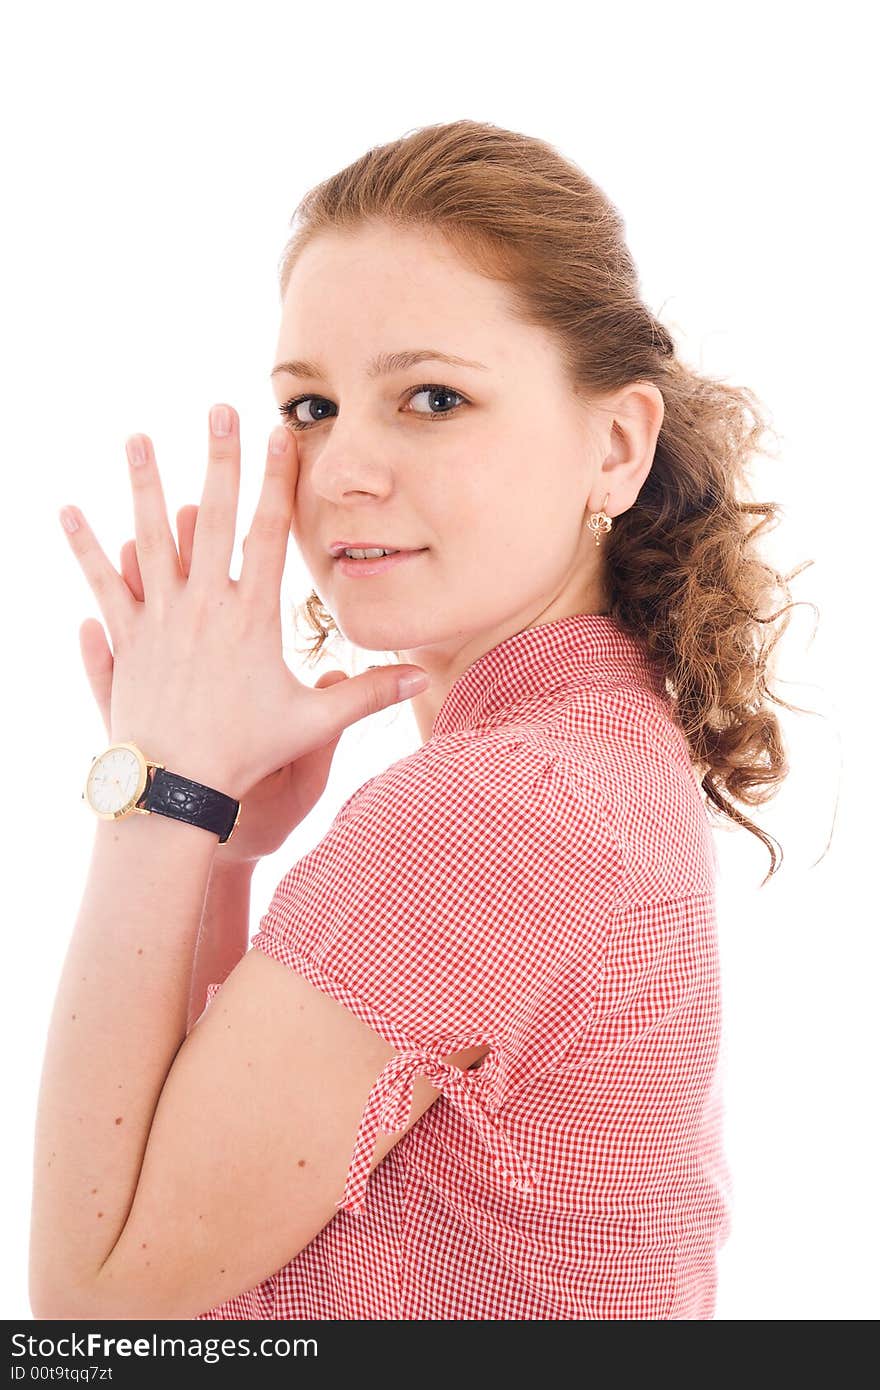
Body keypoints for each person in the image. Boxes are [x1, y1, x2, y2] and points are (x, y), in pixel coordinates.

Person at [31, 119, 807, 1322]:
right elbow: (190, 1179)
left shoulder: (502, 806)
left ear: (615, 445)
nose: (342, 467)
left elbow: (92, 1319)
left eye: (432, 397)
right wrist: (220, 842)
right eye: (310, 406)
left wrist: (159, 791)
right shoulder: (585, 758)